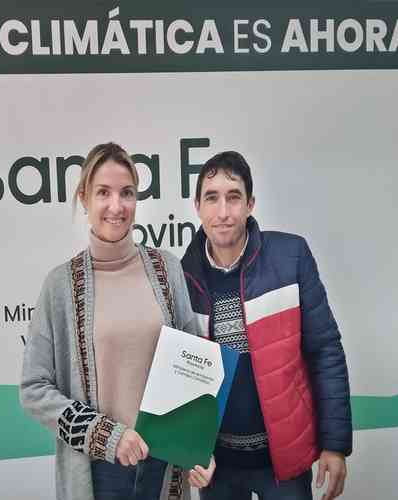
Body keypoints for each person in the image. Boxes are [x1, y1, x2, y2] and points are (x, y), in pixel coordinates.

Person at [20, 142, 215, 500]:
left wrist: (198, 445)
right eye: (103, 193)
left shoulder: (167, 269)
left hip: (165, 466)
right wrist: (105, 436)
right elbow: (34, 389)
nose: (116, 206)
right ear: (84, 198)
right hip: (99, 472)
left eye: (126, 192)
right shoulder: (60, 285)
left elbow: (194, 369)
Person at [180, 151, 352, 500]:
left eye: (234, 197)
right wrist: (188, 450)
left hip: (284, 464)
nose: (223, 212)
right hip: (217, 468)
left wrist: (334, 445)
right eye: (211, 198)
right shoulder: (181, 276)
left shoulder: (291, 256)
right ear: (197, 206)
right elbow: (180, 378)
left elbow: (325, 351)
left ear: (250, 204)